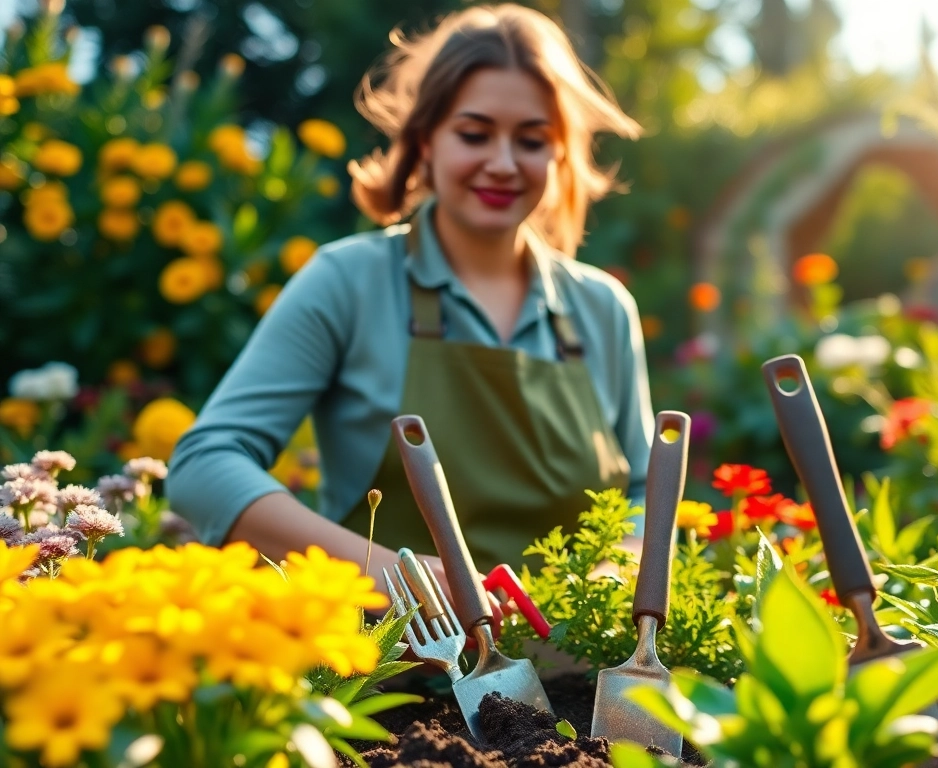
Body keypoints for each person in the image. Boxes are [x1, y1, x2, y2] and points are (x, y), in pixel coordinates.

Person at [166, 4, 653, 596]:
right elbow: (205, 463)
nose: (502, 163)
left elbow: (645, 493)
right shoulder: (348, 282)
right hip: (386, 671)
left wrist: (615, 574)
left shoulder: (602, 308)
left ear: (560, 154)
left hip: (576, 679)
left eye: (531, 140)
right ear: (424, 140)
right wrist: (393, 577)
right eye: (474, 134)